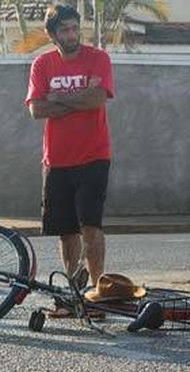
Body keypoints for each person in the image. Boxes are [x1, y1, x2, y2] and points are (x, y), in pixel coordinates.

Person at [24, 4, 114, 318]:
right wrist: (79, 99)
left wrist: (56, 99)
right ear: (52, 35)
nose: (72, 34)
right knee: (66, 231)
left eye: (75, 28)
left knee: (91, 226)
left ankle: (98, 298)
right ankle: (74, 298)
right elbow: (36, 109)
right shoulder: (42, 64)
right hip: (57, 160)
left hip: (94, 155)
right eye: (64, 30)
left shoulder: (98, 58)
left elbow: (98, 98)